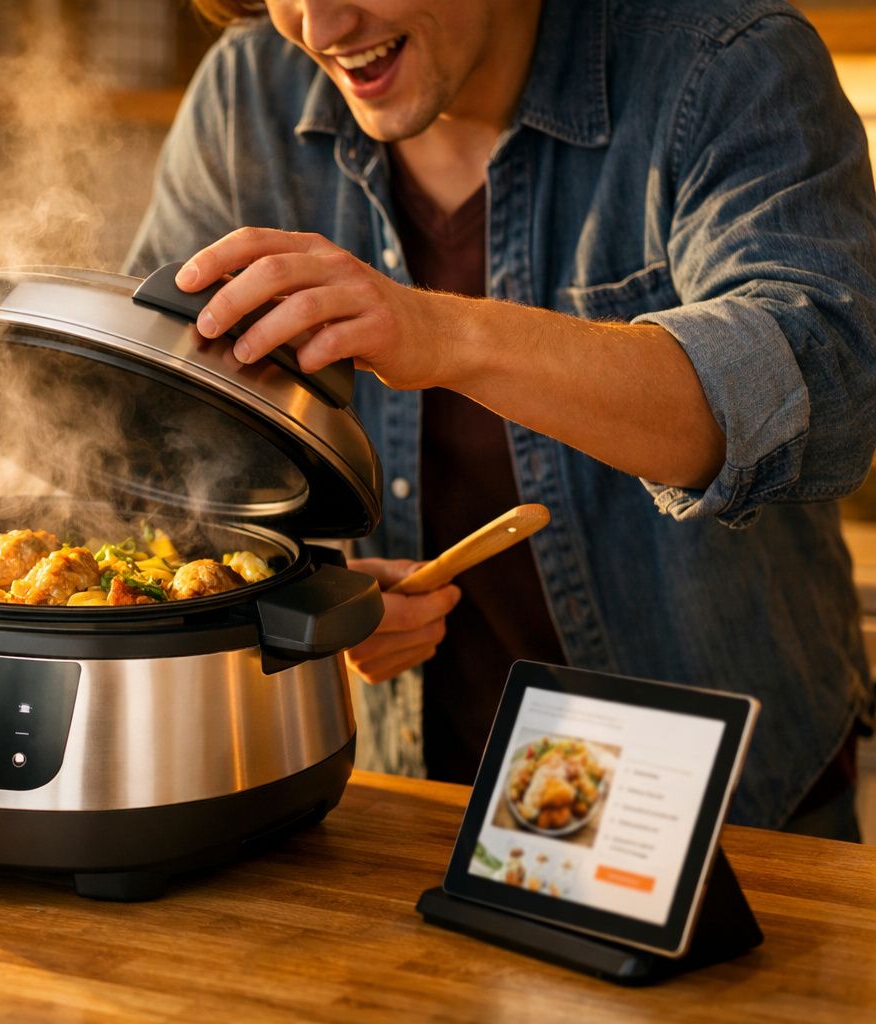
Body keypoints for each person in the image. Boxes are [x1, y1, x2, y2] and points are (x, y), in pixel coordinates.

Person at [124, 0, 876, 839]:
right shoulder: (246, 92)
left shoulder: (728, 62)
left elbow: (820, 377)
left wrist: (441, 331)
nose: (320, 25)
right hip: (407, 812)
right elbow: (166, 450)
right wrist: (299, 588)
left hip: (728, 823)